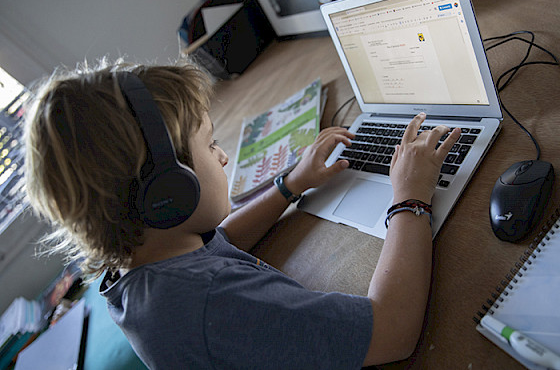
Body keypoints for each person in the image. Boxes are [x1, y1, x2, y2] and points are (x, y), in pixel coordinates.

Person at [25, 59, 461, 369]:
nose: (223, 158)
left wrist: (292, 184)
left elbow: (221, 242)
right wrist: (409, 197)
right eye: (210, 144)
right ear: (167, 190)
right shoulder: (207, 302)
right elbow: (393, 332)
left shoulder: (149, 259)